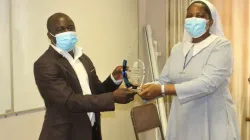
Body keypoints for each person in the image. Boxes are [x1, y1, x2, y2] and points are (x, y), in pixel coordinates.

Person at [139, 0, 240, 140]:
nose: (194, 20)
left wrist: (162, 89)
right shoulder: (178, 48)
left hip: (212, 121)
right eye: (190, 15)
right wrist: (144, 89)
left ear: (210, 22)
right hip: (182, 122)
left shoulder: (221, 46)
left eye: (200, 16)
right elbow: (163, 80)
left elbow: (207, 83)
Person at [34, 13, 135, 140]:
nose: (67, 32)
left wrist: (114, 79)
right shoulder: (45, 64)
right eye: (60, 30)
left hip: (91, 131)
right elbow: (70, 101)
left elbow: (97, 91)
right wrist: (112, 98)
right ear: (50, 35)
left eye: (70, 28)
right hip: (65, 135)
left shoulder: (83, 58)